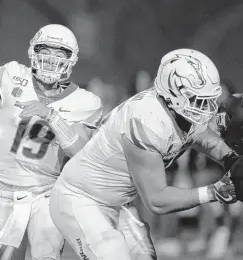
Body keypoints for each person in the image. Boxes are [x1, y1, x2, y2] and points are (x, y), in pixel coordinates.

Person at [0, 4, 104, 259]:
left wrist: (51, 116)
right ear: (33, 52)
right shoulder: (11, 76)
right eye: (45, 52)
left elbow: (81, 152)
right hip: (4, 190)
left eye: (58, 54)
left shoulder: (85, 102)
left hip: (47, 193)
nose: (50, 60)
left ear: (70, 60)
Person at [49, 48, 239, 260]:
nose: (206, 108)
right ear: (175, 94)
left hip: (116, 203)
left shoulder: (178, 111)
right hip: (81, 199)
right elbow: (157, 200)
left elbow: (207, 140)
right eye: (198, 100)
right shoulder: (146, 122)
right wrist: (214, 192)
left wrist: (233, 160)